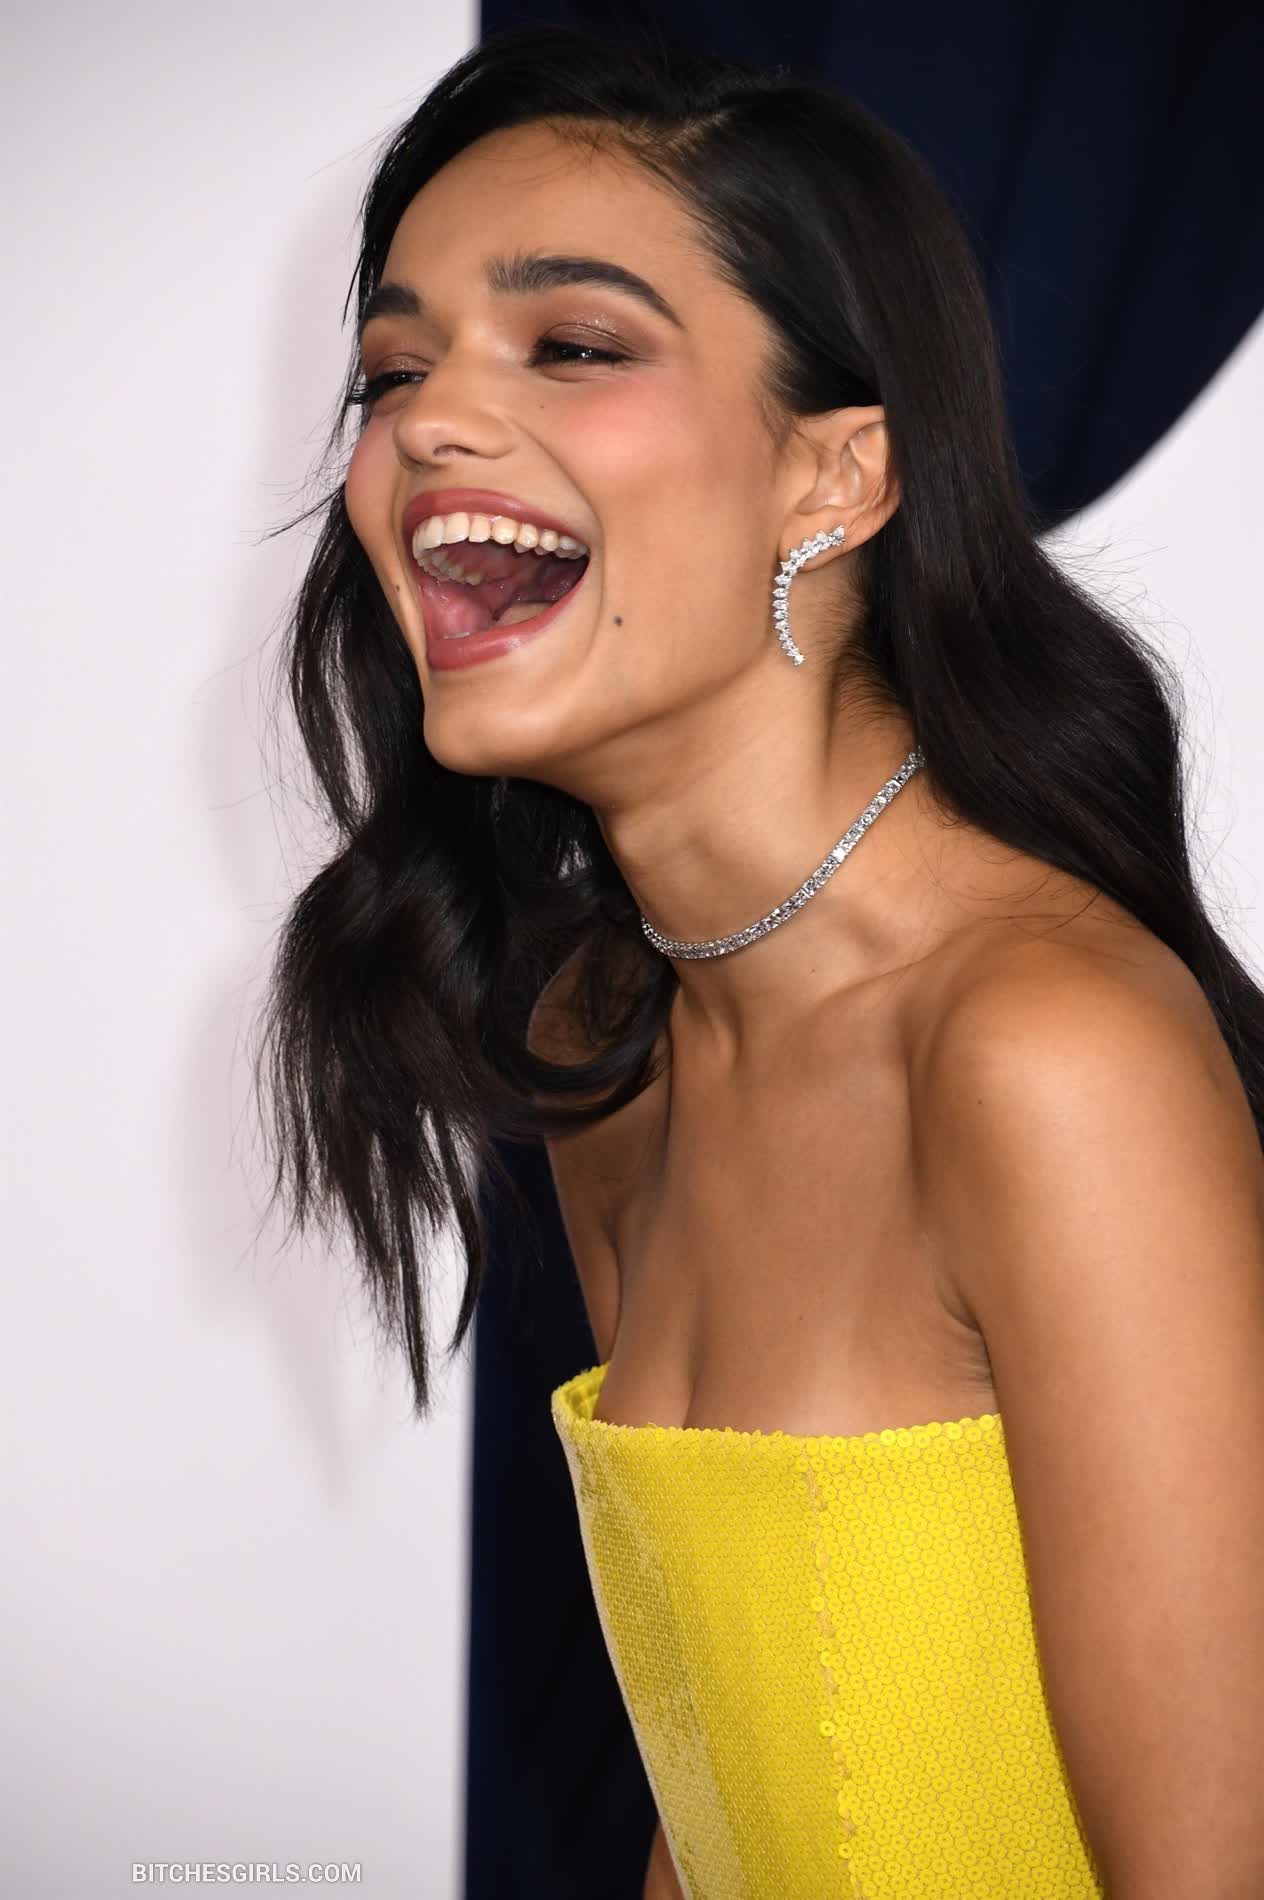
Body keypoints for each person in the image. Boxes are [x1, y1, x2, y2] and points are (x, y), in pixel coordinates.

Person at [251, 23, 1264, 1899]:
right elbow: (726, 1805)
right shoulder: (606, 1036)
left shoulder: (1046, 1051)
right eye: (396, 368)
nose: (431, 423)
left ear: (837, 478)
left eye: (574, 344)